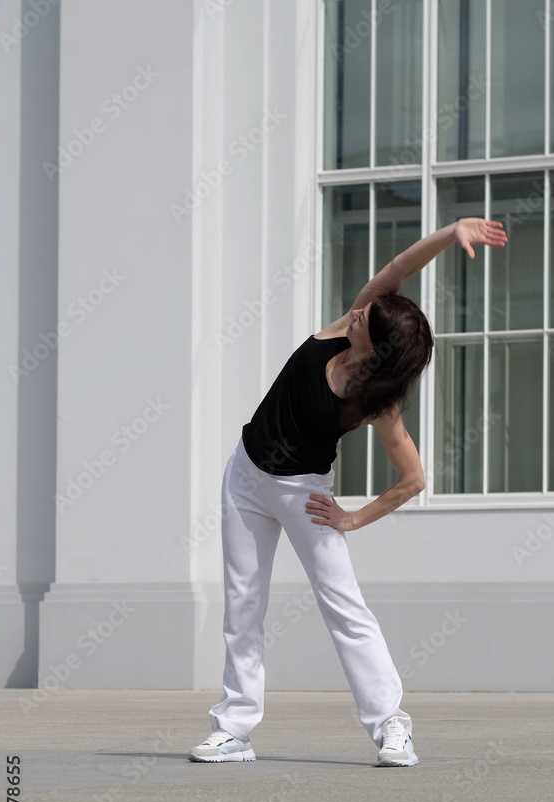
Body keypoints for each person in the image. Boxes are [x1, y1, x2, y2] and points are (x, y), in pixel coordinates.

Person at [188, 217, 507, 766]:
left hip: (303, 494)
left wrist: (353, 518)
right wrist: (452, 231)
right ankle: (234, 728)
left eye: (367, 317)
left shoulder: (375, 403)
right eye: (365, 306)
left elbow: (413, 480)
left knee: (344, 607)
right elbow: (399, 269)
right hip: (244, 476)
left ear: (378, 349)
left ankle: (391, 726)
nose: (361, 307)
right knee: (243, 603)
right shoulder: (346, 324)